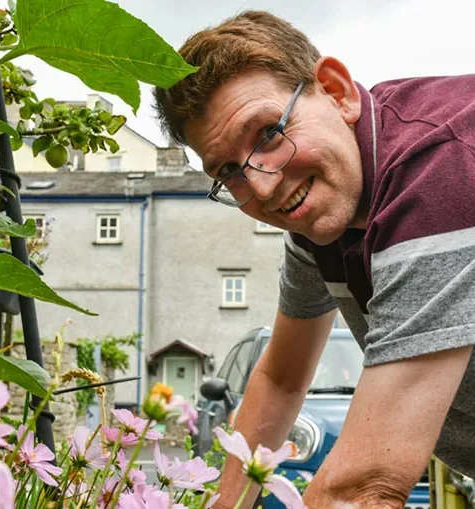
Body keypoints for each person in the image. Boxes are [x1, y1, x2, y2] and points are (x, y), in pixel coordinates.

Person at [154, 10, 475, 509]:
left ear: (336, 90)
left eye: (266, 134)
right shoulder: (321, 216)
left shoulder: (439, 171)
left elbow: (363, 488)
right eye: (230, 171)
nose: (262, 186)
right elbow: (281, 379)